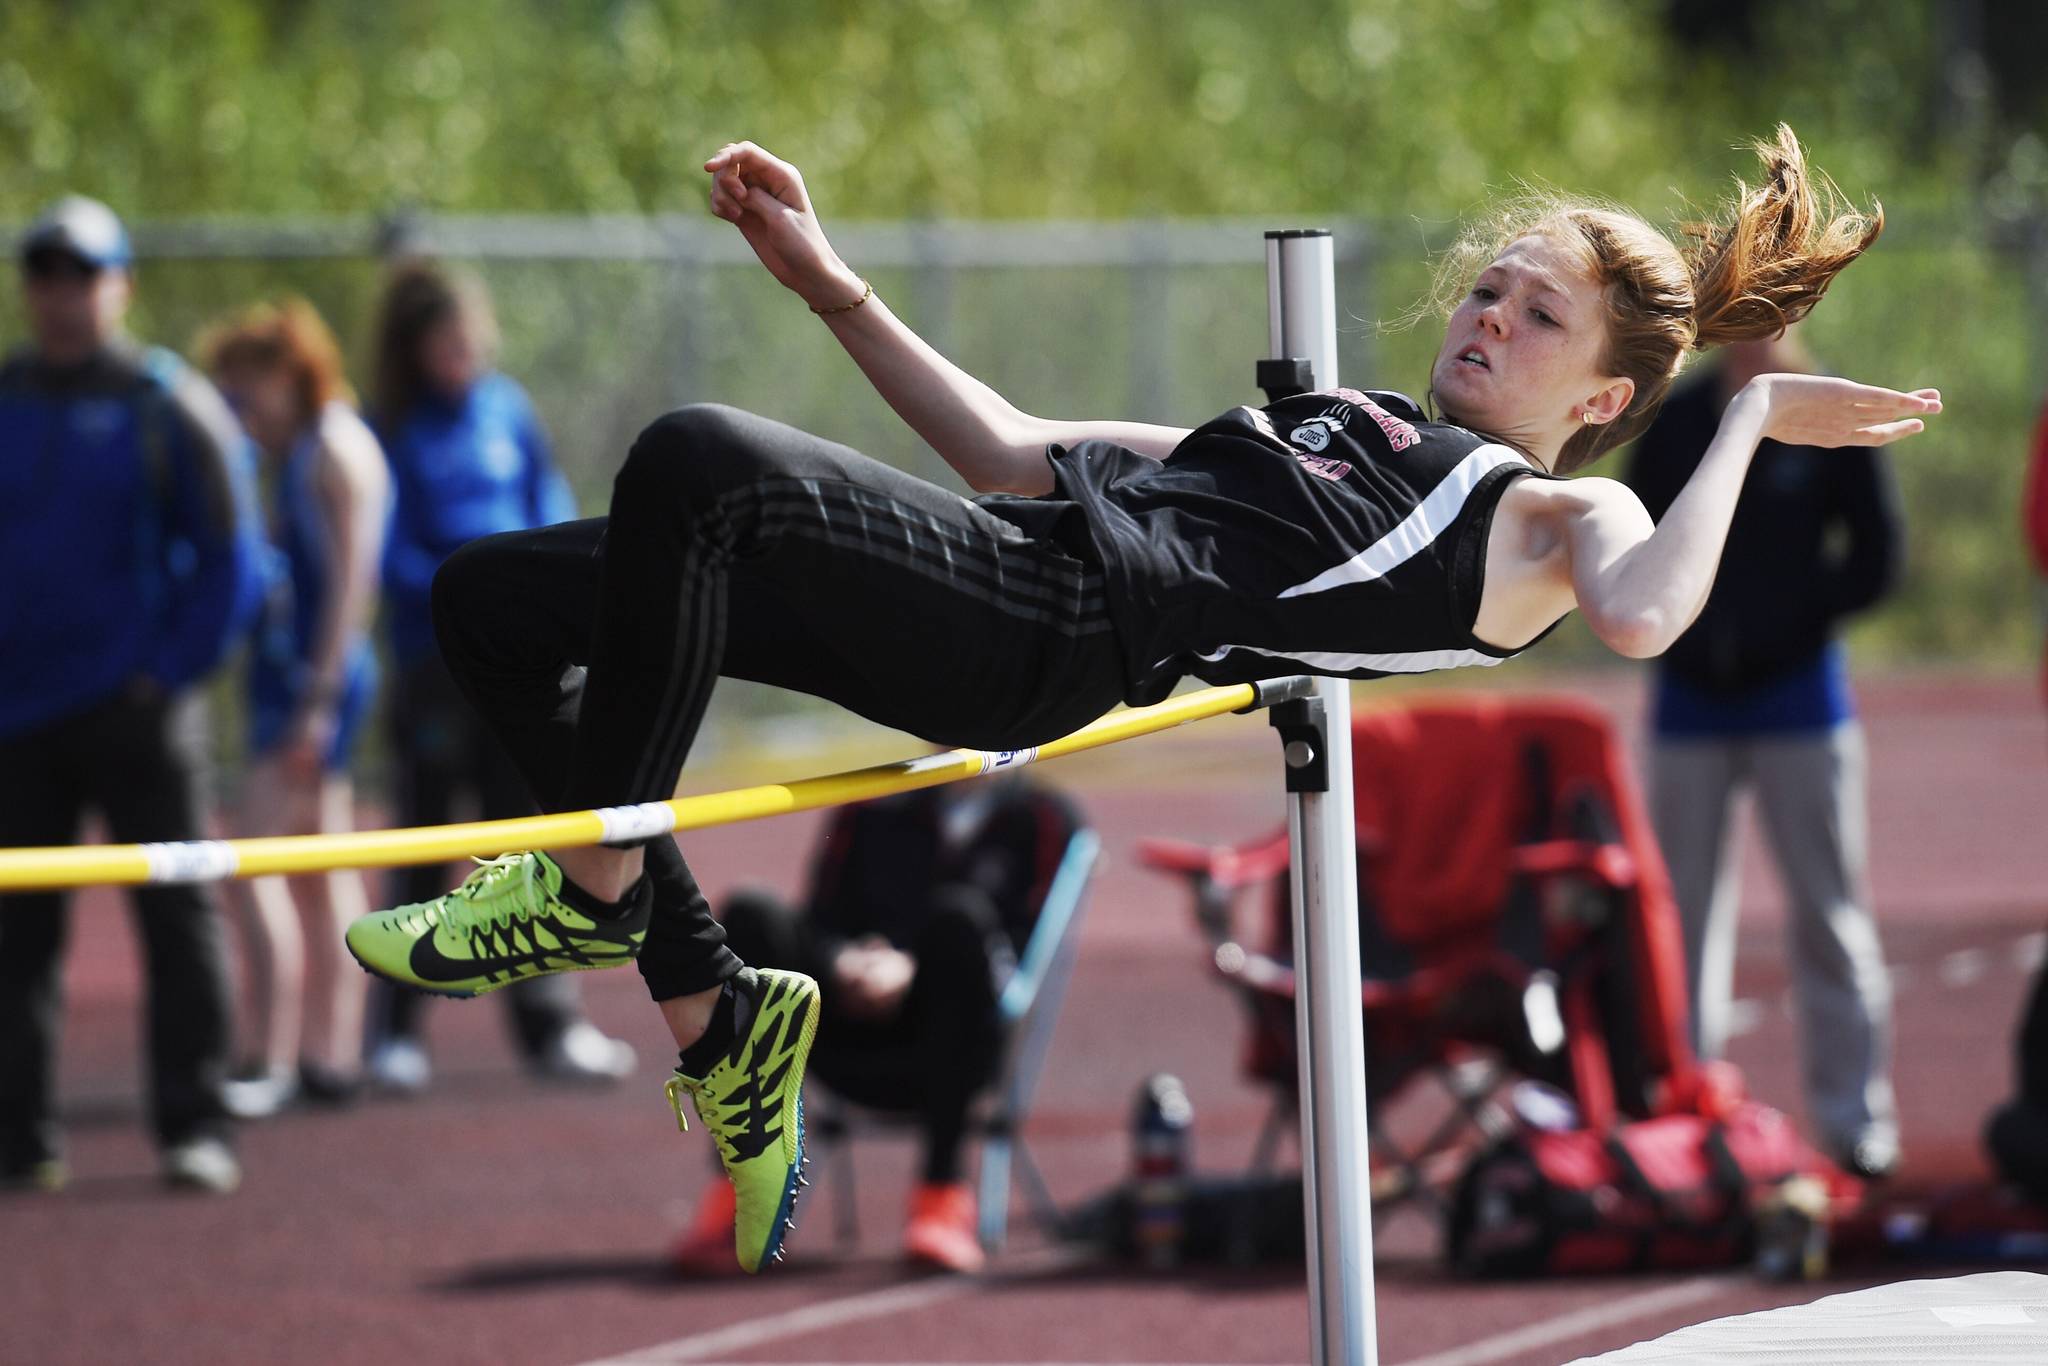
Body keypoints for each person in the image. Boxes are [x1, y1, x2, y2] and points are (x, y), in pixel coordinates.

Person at [342, 126, 1938, 1274]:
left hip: (1046, 633)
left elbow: (1651, 615)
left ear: (1596, 398)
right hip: (1011, 551)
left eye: (1536, 318)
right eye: (1489, 288)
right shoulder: (1347, 426)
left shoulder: (1540, 518)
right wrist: (828, 282)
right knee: (490, 600)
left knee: (696, 452)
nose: (1488, 320)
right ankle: (718, 1012)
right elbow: (1012, 449)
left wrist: (1747, 419)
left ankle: (598, 888)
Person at [0, 198, 263, 1193]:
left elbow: (236, 557)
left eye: (82, 274)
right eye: (44, 275)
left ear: (121, 285)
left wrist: (170, 670)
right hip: (16, 715)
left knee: (177, 916)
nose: (62, 296)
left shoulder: (169, 403)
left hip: (138, 712)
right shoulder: (9, 395)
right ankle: (19, 1136)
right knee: (16, 935)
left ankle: (194, 1126)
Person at [1624, 328, 1904, 1180]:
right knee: (1680, 918)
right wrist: (1684, 640)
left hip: (1798, 699)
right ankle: (1681, 1114)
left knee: (1828, 912)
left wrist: (1793, 621)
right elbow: (1637, 537)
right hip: (1690, 702)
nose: (1753, 332)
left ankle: (1855, 1121)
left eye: (1770, 312)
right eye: (1738, 312)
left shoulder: (1832, 412)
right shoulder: (1676, 420)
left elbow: (1876, 557)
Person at [365, 261, 635, 1091]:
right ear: (414, 350)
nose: (466, 355)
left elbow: (544, 497)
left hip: (516, 661)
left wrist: (539, 590)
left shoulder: (506, 409)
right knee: (426, 840)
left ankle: (550, 1028)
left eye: (473, 341)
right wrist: (464, 592)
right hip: (433, 664)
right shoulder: (391, 427)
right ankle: (398, 1033)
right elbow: (389, 547)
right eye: (448, 344)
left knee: (528, 850)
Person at [672, 776, 1082, 1274]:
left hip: (958, 1043)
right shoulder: (871, 806)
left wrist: (910, 968)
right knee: (752, 912)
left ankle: (942, 1199)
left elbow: (1020, 953)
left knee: (960, 921)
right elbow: (819, 917)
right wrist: (841, 959)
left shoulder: (1042, 818)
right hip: (836, 1032)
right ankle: (741, 1190)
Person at [201, 298, 390, 1118]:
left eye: (248, 390)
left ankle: (270, 1056)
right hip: (311, 675)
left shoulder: (334, 452)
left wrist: (315, 702)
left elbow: (351, 586)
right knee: (319, 868)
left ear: (286, 372)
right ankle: (328, 1057)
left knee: (252, 867)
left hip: (317, 678)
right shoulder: (310, 447)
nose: (244, 411)